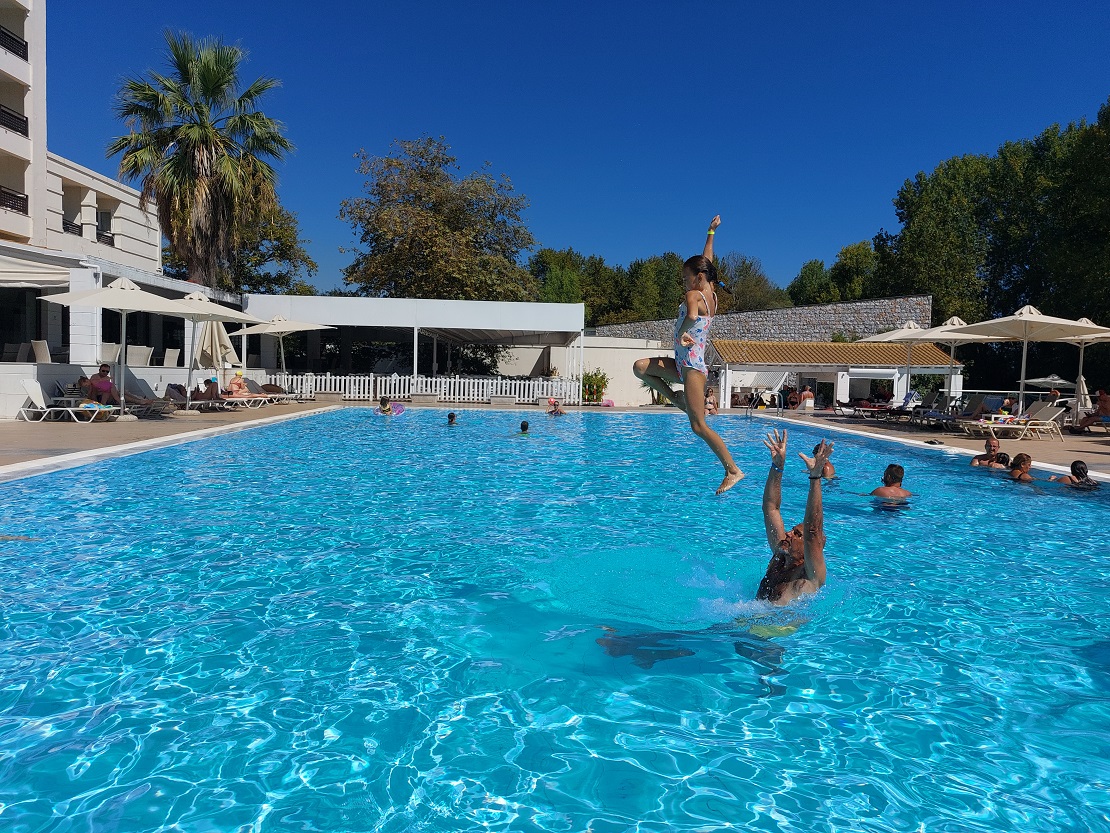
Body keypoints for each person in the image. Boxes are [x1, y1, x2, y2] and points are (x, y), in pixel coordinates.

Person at [631, 215, 744, 494]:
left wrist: (682, 332)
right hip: (683, 364)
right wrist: (711, 233)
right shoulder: (709, 292)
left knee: (698, 426)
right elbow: (707, 260)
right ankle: (675, 399)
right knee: (640, 367)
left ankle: (733, 470)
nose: (684, 282)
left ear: (698, 278)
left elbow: (692, 315)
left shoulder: (694, 295)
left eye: (686, 278)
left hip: (692, 367)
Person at [756, 429, 830, 605]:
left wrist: (815, 477)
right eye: (793, 531)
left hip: (782, 623)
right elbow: (770, 507)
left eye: (797, 534)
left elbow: (813, 531)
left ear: (808, 550)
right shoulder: (781, 555)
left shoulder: (810, 576)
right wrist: (777, 466)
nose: (789, 533)